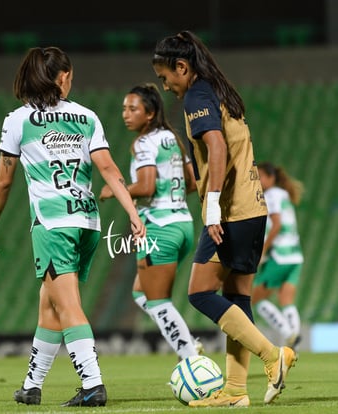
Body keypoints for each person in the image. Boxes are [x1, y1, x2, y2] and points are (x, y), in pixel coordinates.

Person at [0, 46, 145, 408]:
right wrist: (131, 211)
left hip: (52, 224)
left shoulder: (18, 120)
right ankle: (32, 386)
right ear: (64, 76)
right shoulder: (87, 117)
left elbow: (4, 181)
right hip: (86, 222)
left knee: (68, 306)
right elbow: (109, 169)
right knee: (50, 307)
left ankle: (93, 385)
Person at [151, 30, 297, 407]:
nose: (164, 85)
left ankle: (271, 355)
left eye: (166, 76)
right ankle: (235, 391)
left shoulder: (197, 95)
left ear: (182, 67)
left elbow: (216, 146)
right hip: (254, 209)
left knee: (199, 293)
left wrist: (212, 205)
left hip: (231, 211)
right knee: (238, 299)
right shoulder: (220, 90)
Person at [99, 82, 204, 360]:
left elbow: (145, 186)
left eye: (133, 109)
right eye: (124, 108)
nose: (125, 114)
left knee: (158, 301)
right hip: (182, 224)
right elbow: (193, 182)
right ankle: (189, 342)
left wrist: (116, 189)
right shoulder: (171, 138)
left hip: (159, 228)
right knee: (140, 293)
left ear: (150, 113)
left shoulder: (145, 143)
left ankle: (193, 361)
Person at [252, 162, 304, 350]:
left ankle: (288, 334)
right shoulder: (284, 195)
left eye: (260, 176)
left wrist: (263, 250)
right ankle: (294, 342)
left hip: (279, 256)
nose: (257, 180)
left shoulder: (271, 195)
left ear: (270, 178)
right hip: (295, 256)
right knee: (286, 300)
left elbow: (277, 225)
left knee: (256, 300)